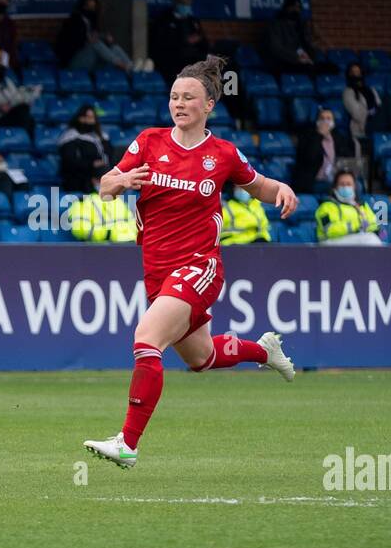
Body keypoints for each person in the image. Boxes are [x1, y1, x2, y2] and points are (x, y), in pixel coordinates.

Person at [81, 55, 299, 470]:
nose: (179, 104)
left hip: (200, 266)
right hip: (158, 271)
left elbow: (260, 187)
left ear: (209, 105)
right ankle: (263, 350)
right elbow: (106, 186)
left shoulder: (223, 154)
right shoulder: (148, 141)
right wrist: (121, 181)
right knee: (201, 359)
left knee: (146, 338)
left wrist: (283, 189)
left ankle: (128, 443)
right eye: (174, 97)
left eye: (189, 97)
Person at [54, 0, 142, 73]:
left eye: (93, 7)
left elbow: (93, 37)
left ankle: (131, 67)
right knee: (96, 44)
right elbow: (73, 42)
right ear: (82, 6)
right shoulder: (73, 21)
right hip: (73, 62)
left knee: (113, 47)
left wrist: (105, 39)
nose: (91, 10)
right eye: (88, 7)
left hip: (90, 60)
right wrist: (88, 39)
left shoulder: (91, 22)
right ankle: (122, 65)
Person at [148, 0, 210, 86]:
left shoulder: (193, 21)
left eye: (188, 4)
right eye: (183, 4)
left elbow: (204, 42)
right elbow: (159, 44)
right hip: (172, 62)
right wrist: (185, 41)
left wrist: (199, 40)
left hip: (194, 60)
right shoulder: (163, 20)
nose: (186, 7)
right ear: (175, 2)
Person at [263, 0, 332, 76]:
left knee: (332, 68)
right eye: (294, 7)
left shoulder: (299, 25)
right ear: (286, 8)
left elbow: (300, 48)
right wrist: (297, 58)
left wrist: (311, 49)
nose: (296, 10)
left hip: (300, 62)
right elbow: (276, 48)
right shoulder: (275, 25)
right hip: (282, 63)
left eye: (299, 7)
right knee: (309, 69)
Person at [291, 107, 354, 194]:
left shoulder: (338, 138)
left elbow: (346, 157)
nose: (325, 121)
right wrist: (319, 135)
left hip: (335, 178)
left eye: (328, 118)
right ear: (317, 121)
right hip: (314, 181)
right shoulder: (308, 137)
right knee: (328, 188)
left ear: (334, 122)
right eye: (322, 118)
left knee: (357, 185)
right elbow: (310, 158)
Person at [315, 169, 383, 246]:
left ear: (354, 187)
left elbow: (374, 224)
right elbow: (329, 230)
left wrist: (373, 229)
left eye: (349, 184)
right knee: (370, 240)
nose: (345, 187)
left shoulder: (362, 206)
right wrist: (358, 225)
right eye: (342, 184)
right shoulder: (326, 206)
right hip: (329, 244)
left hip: (355, 241)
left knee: (377, 240)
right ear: (335, 187)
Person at [57, 104, 114, 194]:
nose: (90, 121)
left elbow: (110, 154)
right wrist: (92, 164)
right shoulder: (71, 137)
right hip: (79, 177)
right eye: (87, 117)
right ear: (80, 118)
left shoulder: (102, 136)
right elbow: (69, 161)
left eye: (93, 117)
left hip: (102, 172)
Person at [69, 190, 138, 243]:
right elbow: (80, 231)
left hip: (126, 248)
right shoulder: (83, 202)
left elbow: (134, 227)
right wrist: (107, 234)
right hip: (94, 251)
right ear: (94, 181)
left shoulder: (119, 201)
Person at [341, 62, 382, 147]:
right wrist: (371, 113)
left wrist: (375, 112)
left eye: (358, 72)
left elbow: (379, 104)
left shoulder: (370, 89)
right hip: (363, 125)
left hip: (377, 120)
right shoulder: (348, 92)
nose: (356, 75)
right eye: (353, 72)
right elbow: (357, 114)